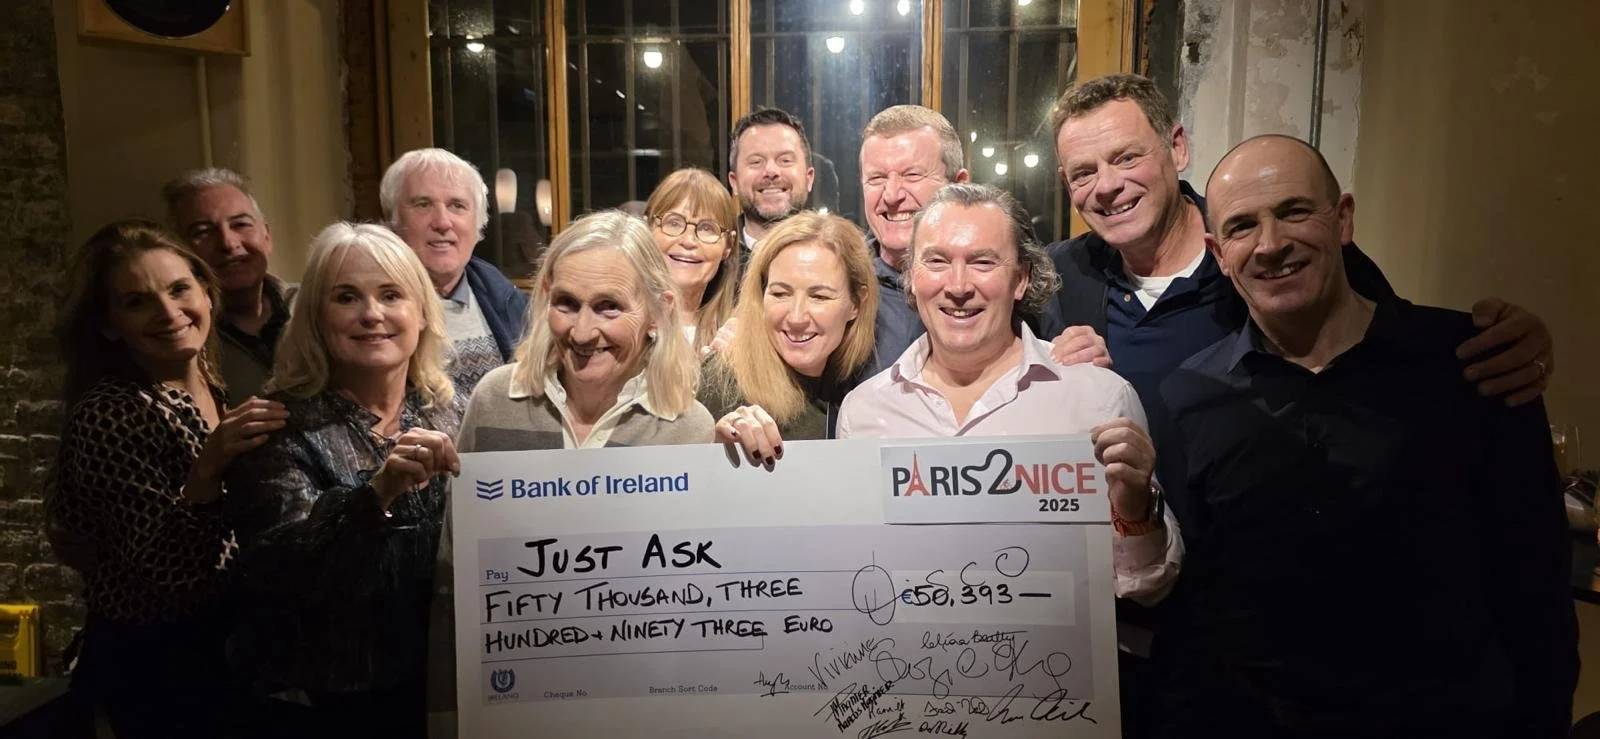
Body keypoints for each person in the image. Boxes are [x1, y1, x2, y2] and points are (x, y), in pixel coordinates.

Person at [1038, 72, 1561, 738]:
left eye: (1126, 157)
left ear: (1176, 146)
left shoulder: (1276, 248)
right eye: (1083, 172)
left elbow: (1392, 353)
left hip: (1363, 659)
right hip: (1166, 650)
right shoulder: (1063, 280)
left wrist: (1522, 341)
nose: (1107, 185)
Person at [1154, 134, 1577, 738]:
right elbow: (1196, 603)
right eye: (1243, 227)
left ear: (1343, 219)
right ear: (1219, 254)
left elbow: (1536, 585)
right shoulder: (1187, 396)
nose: (1271, 244)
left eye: (1294, 211)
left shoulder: (1473, 364)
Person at [426, 211, 714, 737]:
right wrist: (447, 720)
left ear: (657, 311)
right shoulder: (495, 402)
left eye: (608, 307)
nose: (583, 332)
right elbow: (454, 582)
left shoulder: (690, 429)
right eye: (566, 304)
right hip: (513, 712)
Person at [838, 183, 1181, 606]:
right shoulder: (864, 411)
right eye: (937, 262)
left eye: (983, 262)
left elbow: (1147, 587)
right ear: (911, 277)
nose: (958, 285)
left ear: (1020, 280)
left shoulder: (1098, 399)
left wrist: (1135, 514)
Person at [47, 219, 287, 737]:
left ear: (206, 291)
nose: (168, 312)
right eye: (136, 302)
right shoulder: (113, 412)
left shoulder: (208, 382)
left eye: (179, 288)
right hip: (153, 670)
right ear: (110, 324)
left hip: (219, 657)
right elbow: (170, 576)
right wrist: (208, 469)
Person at [225, 222, 463, 737]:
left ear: (421, 313)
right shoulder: (279, 427)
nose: (372, 314)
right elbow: (280, 572)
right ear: (314, 318)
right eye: (347, 297)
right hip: (331, 706)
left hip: (450, 692)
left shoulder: (455, 413)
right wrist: (376, 493)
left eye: (391, 294)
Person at [699, 211, 878, 459]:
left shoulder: (859, 388)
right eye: (780, 294)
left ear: (856, 304)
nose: (796, 317)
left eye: (819, 297)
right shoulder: (722, 382)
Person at [381, 148, 530, 394]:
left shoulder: (513, 305)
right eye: (423, 204)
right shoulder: (367, 314)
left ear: (479, 224)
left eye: (457, 206)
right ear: (391, 221)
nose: (442, 222)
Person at [163, 168, 295, 399]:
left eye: (241, 225)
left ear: (267, 237)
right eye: (203, 231)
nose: (228, 242)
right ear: (178, 250)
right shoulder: (177, 333)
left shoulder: (314, 306)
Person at [857, 105, 970, 374]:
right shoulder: (840, 284)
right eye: (877, 178)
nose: (892, 194)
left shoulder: (1003, 284)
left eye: (912, 175)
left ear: (959, 184)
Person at [643, 168, 741, 354]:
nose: (688, 241)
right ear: (648, 228)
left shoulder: (741, 336)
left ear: (728, 245)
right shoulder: (622, 326)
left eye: (707, 228)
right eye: (673, 223)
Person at [727, 107, 814, 255]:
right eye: (756, 162)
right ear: (734, 182)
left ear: (809, 178)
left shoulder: (837, 258)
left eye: (785, 160)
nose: (771, 171)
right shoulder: (714, 262)